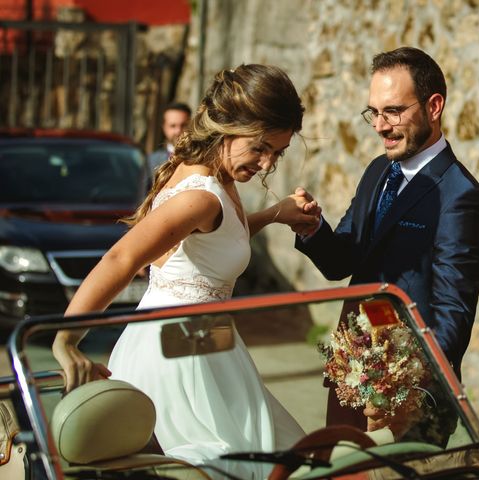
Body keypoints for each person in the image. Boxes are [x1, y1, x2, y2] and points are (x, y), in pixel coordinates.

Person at [52, 64, 320, 478]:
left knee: (275, 459)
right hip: (180, 352)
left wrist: (275, 213)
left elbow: (220, 241)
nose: (267, 164)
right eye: (261, 147)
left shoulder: (215, 176)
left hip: (210, 342)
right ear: (229, 127)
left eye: (278, 153)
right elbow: (121, 259)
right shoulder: (200, 195)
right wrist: (66, 339)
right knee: (237, 463)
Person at [293, 47, 479, 434]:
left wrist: (407, 385)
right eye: (374, 112)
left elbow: (453, 313)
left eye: (394, 112)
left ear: (434, 106)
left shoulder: (461, 196)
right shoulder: (378, 171)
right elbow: (342, 262)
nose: (380, 126)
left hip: (406, 395)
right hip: (349, 377)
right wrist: (311, 228)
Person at [148, 102, 192, 172]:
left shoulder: (202, 157)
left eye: (183, 125)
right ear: (164, 127)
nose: (178, 131)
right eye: (173, 126)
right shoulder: (152, 161)